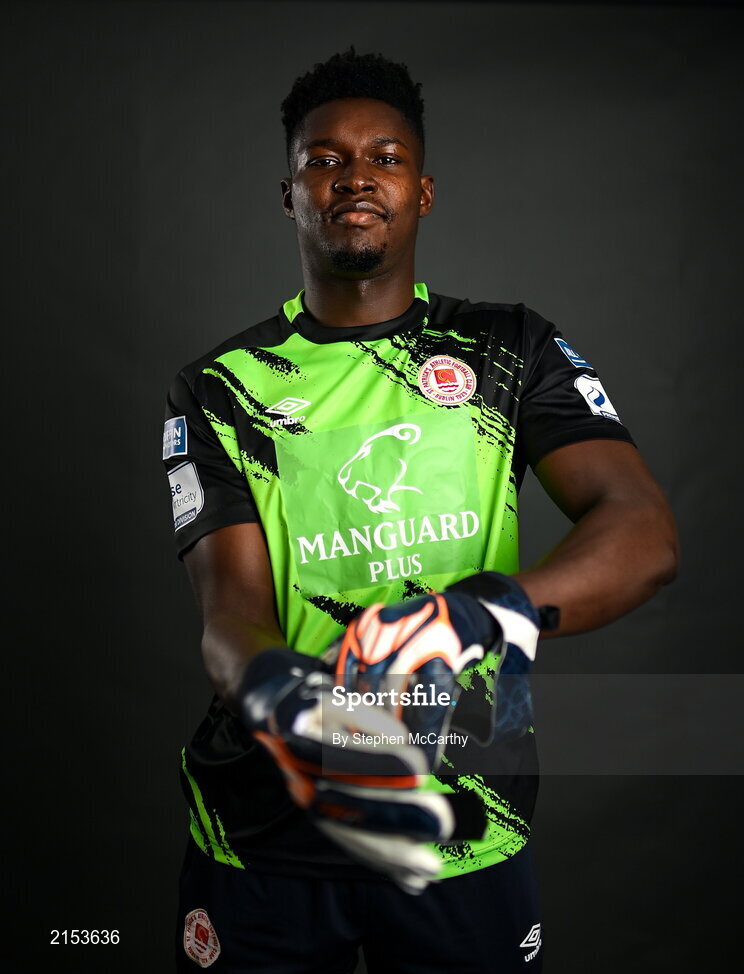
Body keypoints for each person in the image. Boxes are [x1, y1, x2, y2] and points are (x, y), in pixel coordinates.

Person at [162, 48, 678, 973]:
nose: (355, 174)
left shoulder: (510, 350)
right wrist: (293, 699)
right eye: (324, 159)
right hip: (269, 827)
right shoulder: (222, 389)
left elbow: (639, 529)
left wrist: (482, 613)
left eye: (385, 156)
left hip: (464, 825)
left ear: (423, 191)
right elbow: (230, 614)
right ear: (291, 194)